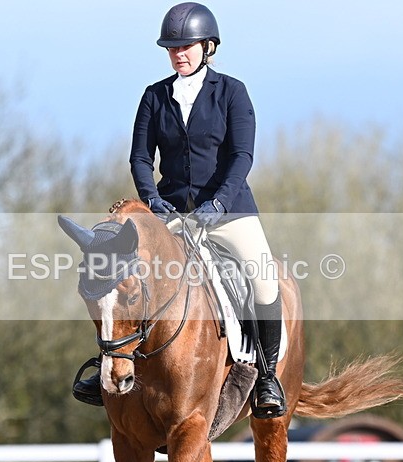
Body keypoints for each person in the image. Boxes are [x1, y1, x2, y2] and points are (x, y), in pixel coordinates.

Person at [73, 2, 286, 419]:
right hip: (169, 214)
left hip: (228, 212)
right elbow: (139, 158)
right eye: (172, 48)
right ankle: (107, 362)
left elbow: (242, 156)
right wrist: (152, 201)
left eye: (186, 46)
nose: (178, 54)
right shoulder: (154, 96)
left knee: (262, 278)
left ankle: (266, 377)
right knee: (118, 274)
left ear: (208, 47)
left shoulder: (232, 92)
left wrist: (219, 203)